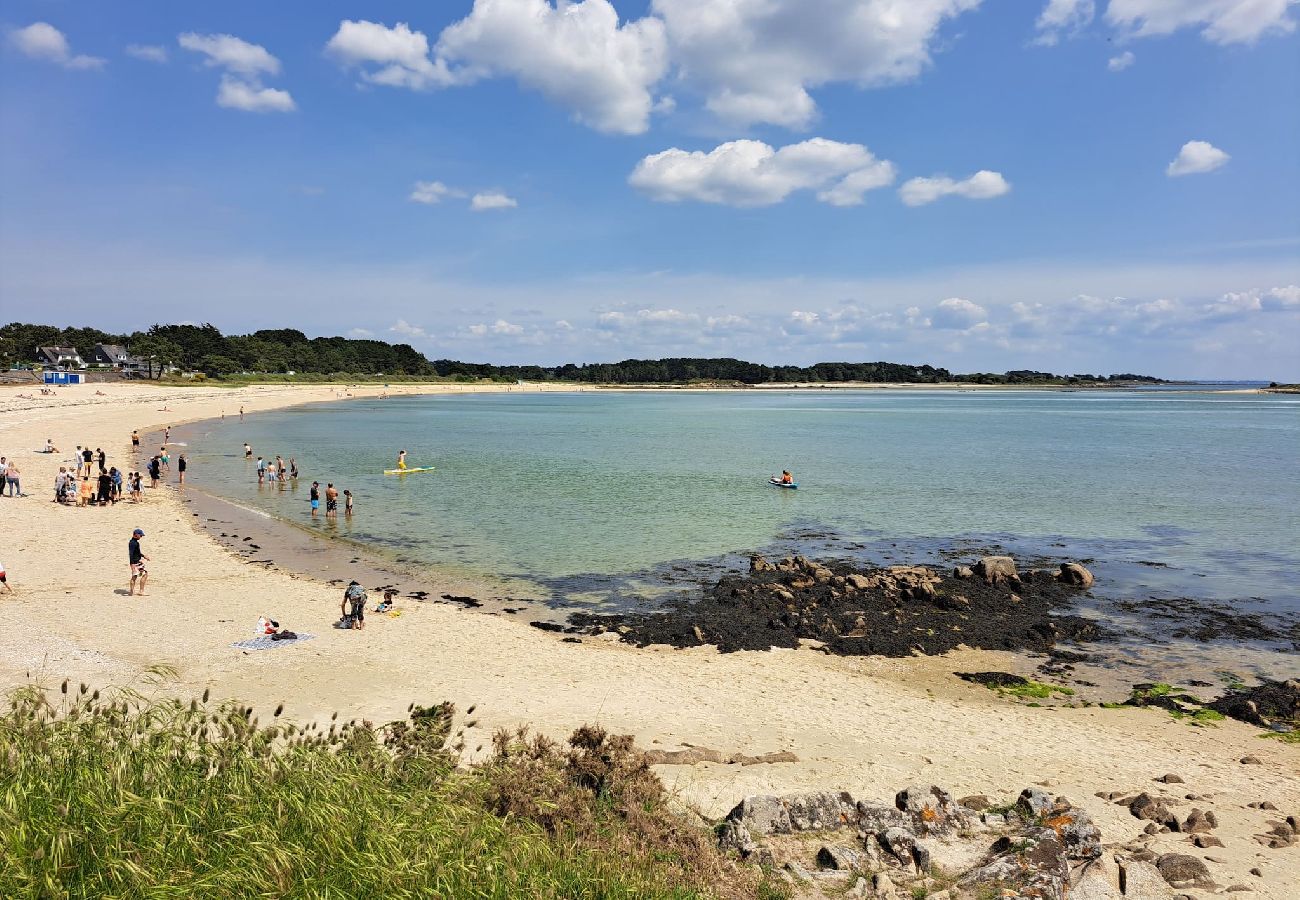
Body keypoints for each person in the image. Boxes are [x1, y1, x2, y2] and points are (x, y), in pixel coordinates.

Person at [128, 528, 149, 595]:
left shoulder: (133, 542)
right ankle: (141, 591)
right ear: (136, 535)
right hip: (136, 562)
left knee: (134, 576)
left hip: (136, 562)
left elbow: (137, 553)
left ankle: (131, 592)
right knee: (145, 574)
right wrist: (132, 564)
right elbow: (131, 554)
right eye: (140, 535)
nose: (141, 537)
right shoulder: (134, 543)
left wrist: (143, 556)